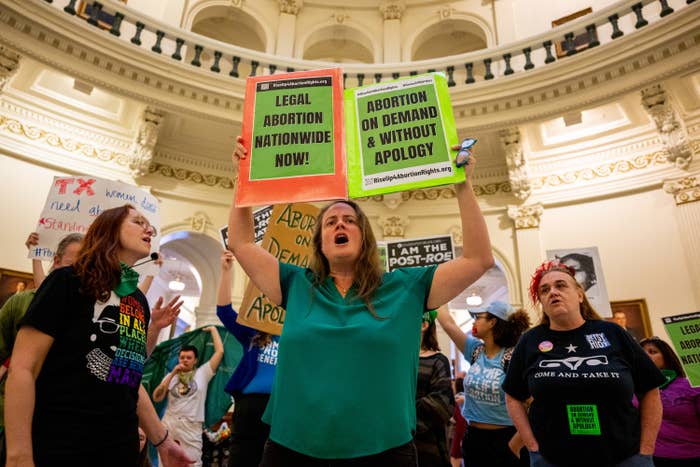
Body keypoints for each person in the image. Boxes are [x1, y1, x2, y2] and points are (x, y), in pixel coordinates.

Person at [228, 134, 493, 465]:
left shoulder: (406, 286)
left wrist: (463, 186)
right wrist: (244, 179)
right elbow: (241, 243)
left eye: (349, 220)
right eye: (331, 222)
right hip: (292, 447)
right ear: (321, 243)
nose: (340, 223)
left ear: (364, 238)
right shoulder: (295, 283)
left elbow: (478, 260)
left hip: (383, 450)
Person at [4, 204, 193, 466]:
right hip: (61, 444)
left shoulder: (136, 300)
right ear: (109, 229)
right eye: (138, 222)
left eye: (149, 225)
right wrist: (18, 455)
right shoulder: (67, 282)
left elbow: (129, 381)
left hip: (118, 449)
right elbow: (23, 369)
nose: (149, 229)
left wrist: (164, 442)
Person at [502, 260, 665, 467]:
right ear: (542, 302)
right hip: (553, 459)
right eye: (545, 290)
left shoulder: (612, 333)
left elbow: (650, 389)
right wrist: (532, 446)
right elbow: (513, 396)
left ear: (580, 295)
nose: (553, 292)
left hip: (624, 457)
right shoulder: (530, 341)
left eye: (560, 285)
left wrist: (645, 452)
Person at [0, 232, 83, 464]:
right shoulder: (21, 302)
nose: (75, 275)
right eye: (70, 266)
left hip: (61, 424)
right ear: (56, 261)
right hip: (13, 416)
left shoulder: (92, 314)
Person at [437, 302, 530, 467]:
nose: (473, 321)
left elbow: (533, 405)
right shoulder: (476, 350)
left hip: (506, 438)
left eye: (478, 317)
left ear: (493, 322)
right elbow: (448, 324)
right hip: (474, 438)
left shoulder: (512, 357)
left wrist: (516, 443)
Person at [215, 249, 279, 467]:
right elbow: (224, 312)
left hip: (281, 406)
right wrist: (226, 271)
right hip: (249, 406)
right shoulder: (253, 333)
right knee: (242, 458)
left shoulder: (294, 337)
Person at [153, 326, 224, 467]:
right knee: (164, 463)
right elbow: (157, 397)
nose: (184, 360)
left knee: (194, 463)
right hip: (170, 422)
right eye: (182, 357)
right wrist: (173, 373)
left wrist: (213, 330)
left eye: (188, 358)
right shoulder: (171, 376)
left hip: (191, 425)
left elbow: (220, 352)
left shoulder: (203, 373)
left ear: (195, 360)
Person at [639, 336, 700, 466]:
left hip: (690, 456)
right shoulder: (632, 388)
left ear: (667, 358)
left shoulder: (691, 386)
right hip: (649, 459)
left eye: (652, 352)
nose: (645, 356)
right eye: (641, 352)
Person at [415, 309, 455, 467]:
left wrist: (401, 417)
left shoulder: (438, 361)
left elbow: (441, 405)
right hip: (391, 447)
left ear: (424, 325)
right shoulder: (393, 359)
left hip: (428, 447)